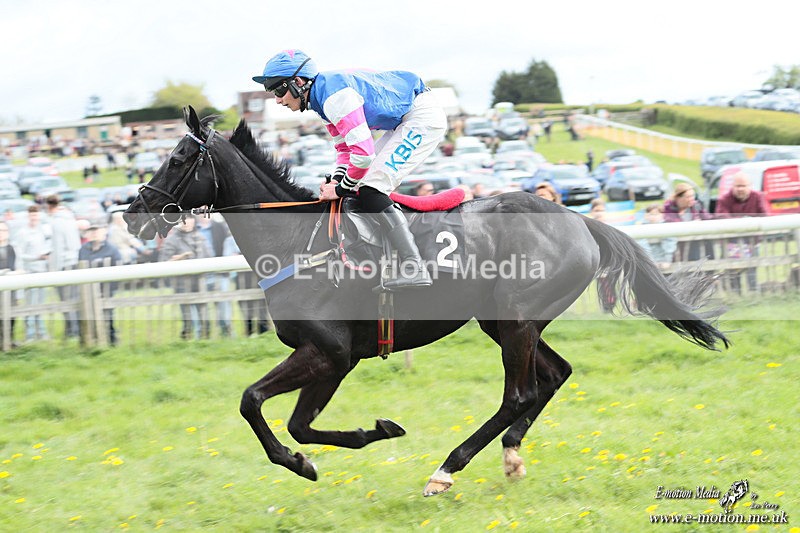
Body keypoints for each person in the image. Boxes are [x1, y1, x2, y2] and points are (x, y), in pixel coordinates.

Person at [252, 49, 448, 290]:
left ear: (299, 82)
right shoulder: (320, 100)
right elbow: (345, 150)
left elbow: (364, 155)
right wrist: (337, 182)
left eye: (279, 90)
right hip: (403, 120)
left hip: (421, 118)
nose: (278, 100)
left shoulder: (335, 98)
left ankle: (414, 266)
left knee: (370, 188)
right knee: (356, 186)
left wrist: (340, 189)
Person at [159, 215, 212, 340]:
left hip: (200, 283)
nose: (186, 222)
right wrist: (181, 258)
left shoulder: (200, 238)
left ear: (194, 221)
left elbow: (209, 257)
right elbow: (164, 262)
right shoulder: (171, 240)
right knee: (189, 319)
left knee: (205, 317)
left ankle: (204, 342)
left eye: (189, 219)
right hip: (182, 284)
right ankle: (188, 342)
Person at [714, 172, 767, 293]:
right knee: (733, 271)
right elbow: (722, 217)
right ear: (732, 186)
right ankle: (735, 295)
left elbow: (764, 215)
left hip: (752, 242)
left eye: (743, 186)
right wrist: (745, 222)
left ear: (750, 186)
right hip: (731, 244)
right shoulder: (724, 199)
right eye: (738, 186)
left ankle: (753, 294)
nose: (740, 189)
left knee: (752, 269)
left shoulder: (758, 197)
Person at [78, 223, 122, 345]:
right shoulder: (83, 249)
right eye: (91, 231)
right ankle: (88, 340)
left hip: (106, 288)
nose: (94, 233)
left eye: (96, 230)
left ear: (104, 232)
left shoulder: (112, 249)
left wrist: (111, 286)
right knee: (87, 314)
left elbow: (118, 268)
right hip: (88, 289)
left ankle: (111, 340)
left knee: (107, 314)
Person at [45, 195, 81, 338]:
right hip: (74, 261)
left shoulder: (56, 222)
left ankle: (72, 331)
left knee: (66, 300)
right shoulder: (70, 218)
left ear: (48, 207)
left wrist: (54, 271)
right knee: (74, 298)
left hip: (64, 264)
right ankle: (74, 328)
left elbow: (58, 248)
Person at [16, 206, 51, 341]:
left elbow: (49, 245)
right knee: (30, 303)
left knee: (40, 303)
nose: (34, 218)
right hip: (29, 272)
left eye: (36, 216)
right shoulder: (23, 233)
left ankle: (41, 332)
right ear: (28, 216)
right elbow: (20, 254)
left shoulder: (43, 230)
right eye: (32, 216)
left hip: (42, 271)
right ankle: (30, 334)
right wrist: (36, 257)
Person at [662, 183, 713, 261]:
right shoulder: (668, 209)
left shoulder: (696, 205)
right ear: (679, 198)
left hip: (695, 246)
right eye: (688, 197)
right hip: (676, 248)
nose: (692, 199)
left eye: (693, 196)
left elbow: (709, 219)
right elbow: (671, 226)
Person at [637, 204, 677, 269]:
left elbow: (669, 244)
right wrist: (650, 261)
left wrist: (667, 260)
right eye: (650, 214)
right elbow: (642, 245)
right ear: (646, 215)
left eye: (656, 214)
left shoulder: (666, 227)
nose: (653, 217)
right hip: (647, 261)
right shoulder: (642, 228)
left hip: (664, 261)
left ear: (662, 215)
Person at [0, 221, 18, 345]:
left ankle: (9, 340)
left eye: (4, 231)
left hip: (10, 287)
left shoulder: (11, 248)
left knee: (12, 314)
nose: (2, 233)